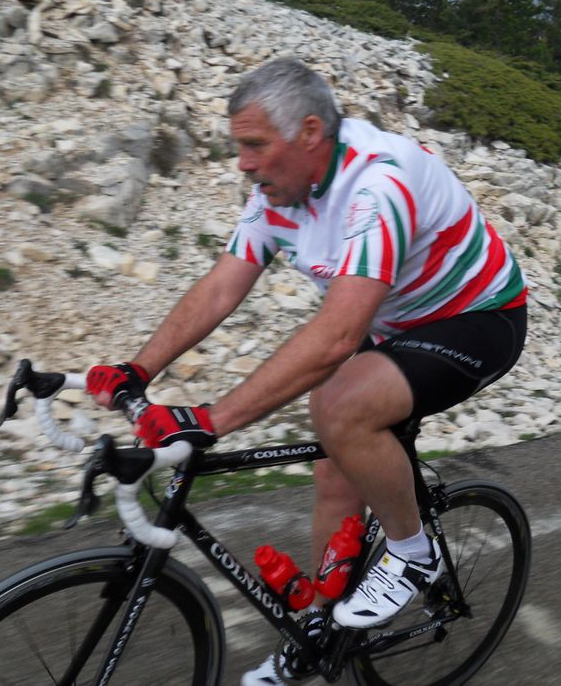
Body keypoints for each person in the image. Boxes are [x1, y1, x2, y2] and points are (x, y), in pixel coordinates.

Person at [86, 57, 528, 685]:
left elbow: (337, 336)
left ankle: (413, 554)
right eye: (240, 146)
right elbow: (219, 288)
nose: (242, 162)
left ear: (311, 133)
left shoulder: (378, 183)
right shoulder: (279, 191)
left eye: (255, 145)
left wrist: (211, 420)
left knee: (340, 407)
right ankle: (322, 634)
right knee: (335, 464)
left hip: (478, 317)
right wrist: (136, 369)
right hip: (399, 324)